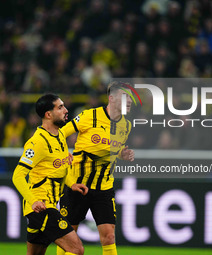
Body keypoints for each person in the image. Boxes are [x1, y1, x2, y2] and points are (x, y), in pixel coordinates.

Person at [57, 81, 135, 255]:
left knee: (109, 237)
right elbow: (60, 134)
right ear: (112, 98)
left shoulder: (126, 126)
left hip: (104, 187)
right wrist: (63, 154)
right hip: (78, 184)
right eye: (125, 97)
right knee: (68, 235)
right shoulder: (88, 116)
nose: (130, 101)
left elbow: (111, 149)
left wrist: (122, 154)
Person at [12, 94, 88, 255]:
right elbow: (18, 175)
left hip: (51, 204)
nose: (66, 110)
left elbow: (58, 169)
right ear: (48, 114)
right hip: (41, 207)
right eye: (60, 107)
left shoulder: (60, 136)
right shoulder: (37, 142)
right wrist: (33, 201)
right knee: (77, 249)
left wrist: (71, 183)